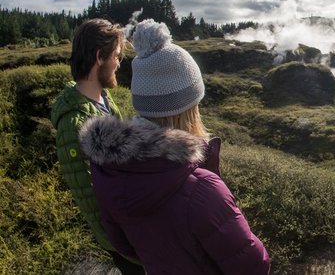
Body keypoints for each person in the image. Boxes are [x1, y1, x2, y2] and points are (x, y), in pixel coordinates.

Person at [78, 19, 271, 274]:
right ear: (188, 107)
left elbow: (122, 244)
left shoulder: (107, 167)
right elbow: (254, 266)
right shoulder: (202, 189)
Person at [50, 18, 145, 274]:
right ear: (99, 57)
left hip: (130, 226)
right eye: (116, 55)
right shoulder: (74, 124)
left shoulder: (102, 97)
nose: (119, 62)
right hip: (121, 241)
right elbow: (90, 196)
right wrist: (126, 244)